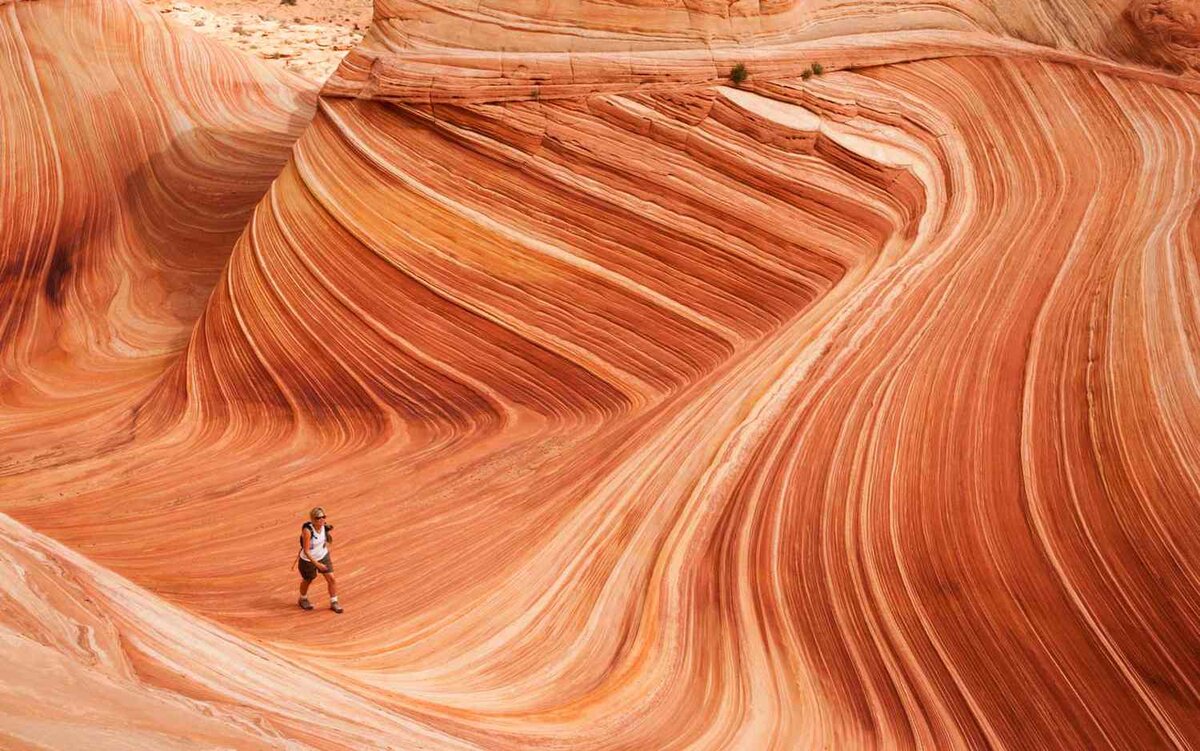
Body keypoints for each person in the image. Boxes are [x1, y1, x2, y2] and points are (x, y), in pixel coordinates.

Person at [298, 506, 342, 613]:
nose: (322, 519)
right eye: (318, 518)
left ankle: (334, 601)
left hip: (323, 556)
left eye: (323, 517)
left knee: (331, 579)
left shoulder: (323, 526)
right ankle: (302, 599)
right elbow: (307, 551)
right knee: (308, 580)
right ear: (313, 519)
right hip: (308, 561)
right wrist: (317, 565)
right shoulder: (307, 531)